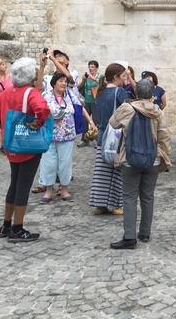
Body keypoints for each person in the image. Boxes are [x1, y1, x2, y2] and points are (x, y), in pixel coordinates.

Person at [0, 57, 51, 243]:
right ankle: (17, 228)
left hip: (11, 143)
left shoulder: (8, 91)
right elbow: (43, 109)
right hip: (27, 146)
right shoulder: (30, 93)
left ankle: (6, 224)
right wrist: (37, 123)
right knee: (23, 186)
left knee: (14, 184)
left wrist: (5, 120)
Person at [108, 80, 172, 249]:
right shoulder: (158, 111)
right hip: (153, 158)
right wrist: (164, 157)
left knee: (129, 197)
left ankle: (129, 237)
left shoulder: (127, 108)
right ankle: (144, 232)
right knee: (148, 196)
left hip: (130, 158)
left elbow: (112, 123)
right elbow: (164, 136)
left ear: (136, 93)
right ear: (152, 95)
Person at [38, 73, 96, 204]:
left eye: (65, 81)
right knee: (49, 163)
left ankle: (64, 189)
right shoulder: (46, 96)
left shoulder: (70, 95)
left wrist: (91, 122)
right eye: (60, 81)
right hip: (49, 136)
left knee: (65, 163)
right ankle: (48, 190)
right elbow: (37, 110)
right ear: (54, 83)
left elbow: (81, 109)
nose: (64, 83)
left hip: (67, 135)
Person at [89, 63, 129, 215]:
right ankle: (118, 204)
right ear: (116, 77)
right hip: (117, 135)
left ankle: (100, 205)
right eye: (124, 75)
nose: (125, 79)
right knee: (118, 170)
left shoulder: (100, 92)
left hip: (102, 134)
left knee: (101, 172)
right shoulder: (119, 92)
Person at [77, 60, 103, 147]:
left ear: (96, 68)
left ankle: (97, 139)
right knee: (85, 120)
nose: (90, 68)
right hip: (87, 101)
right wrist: (83, 80)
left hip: (96, 101)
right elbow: (78, 87)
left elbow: (102, 84)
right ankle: (84, 139)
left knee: (95, 120)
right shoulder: (87, 77)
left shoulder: (100, 76)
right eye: (89, 66)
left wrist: (92, 78)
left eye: (92, 67)